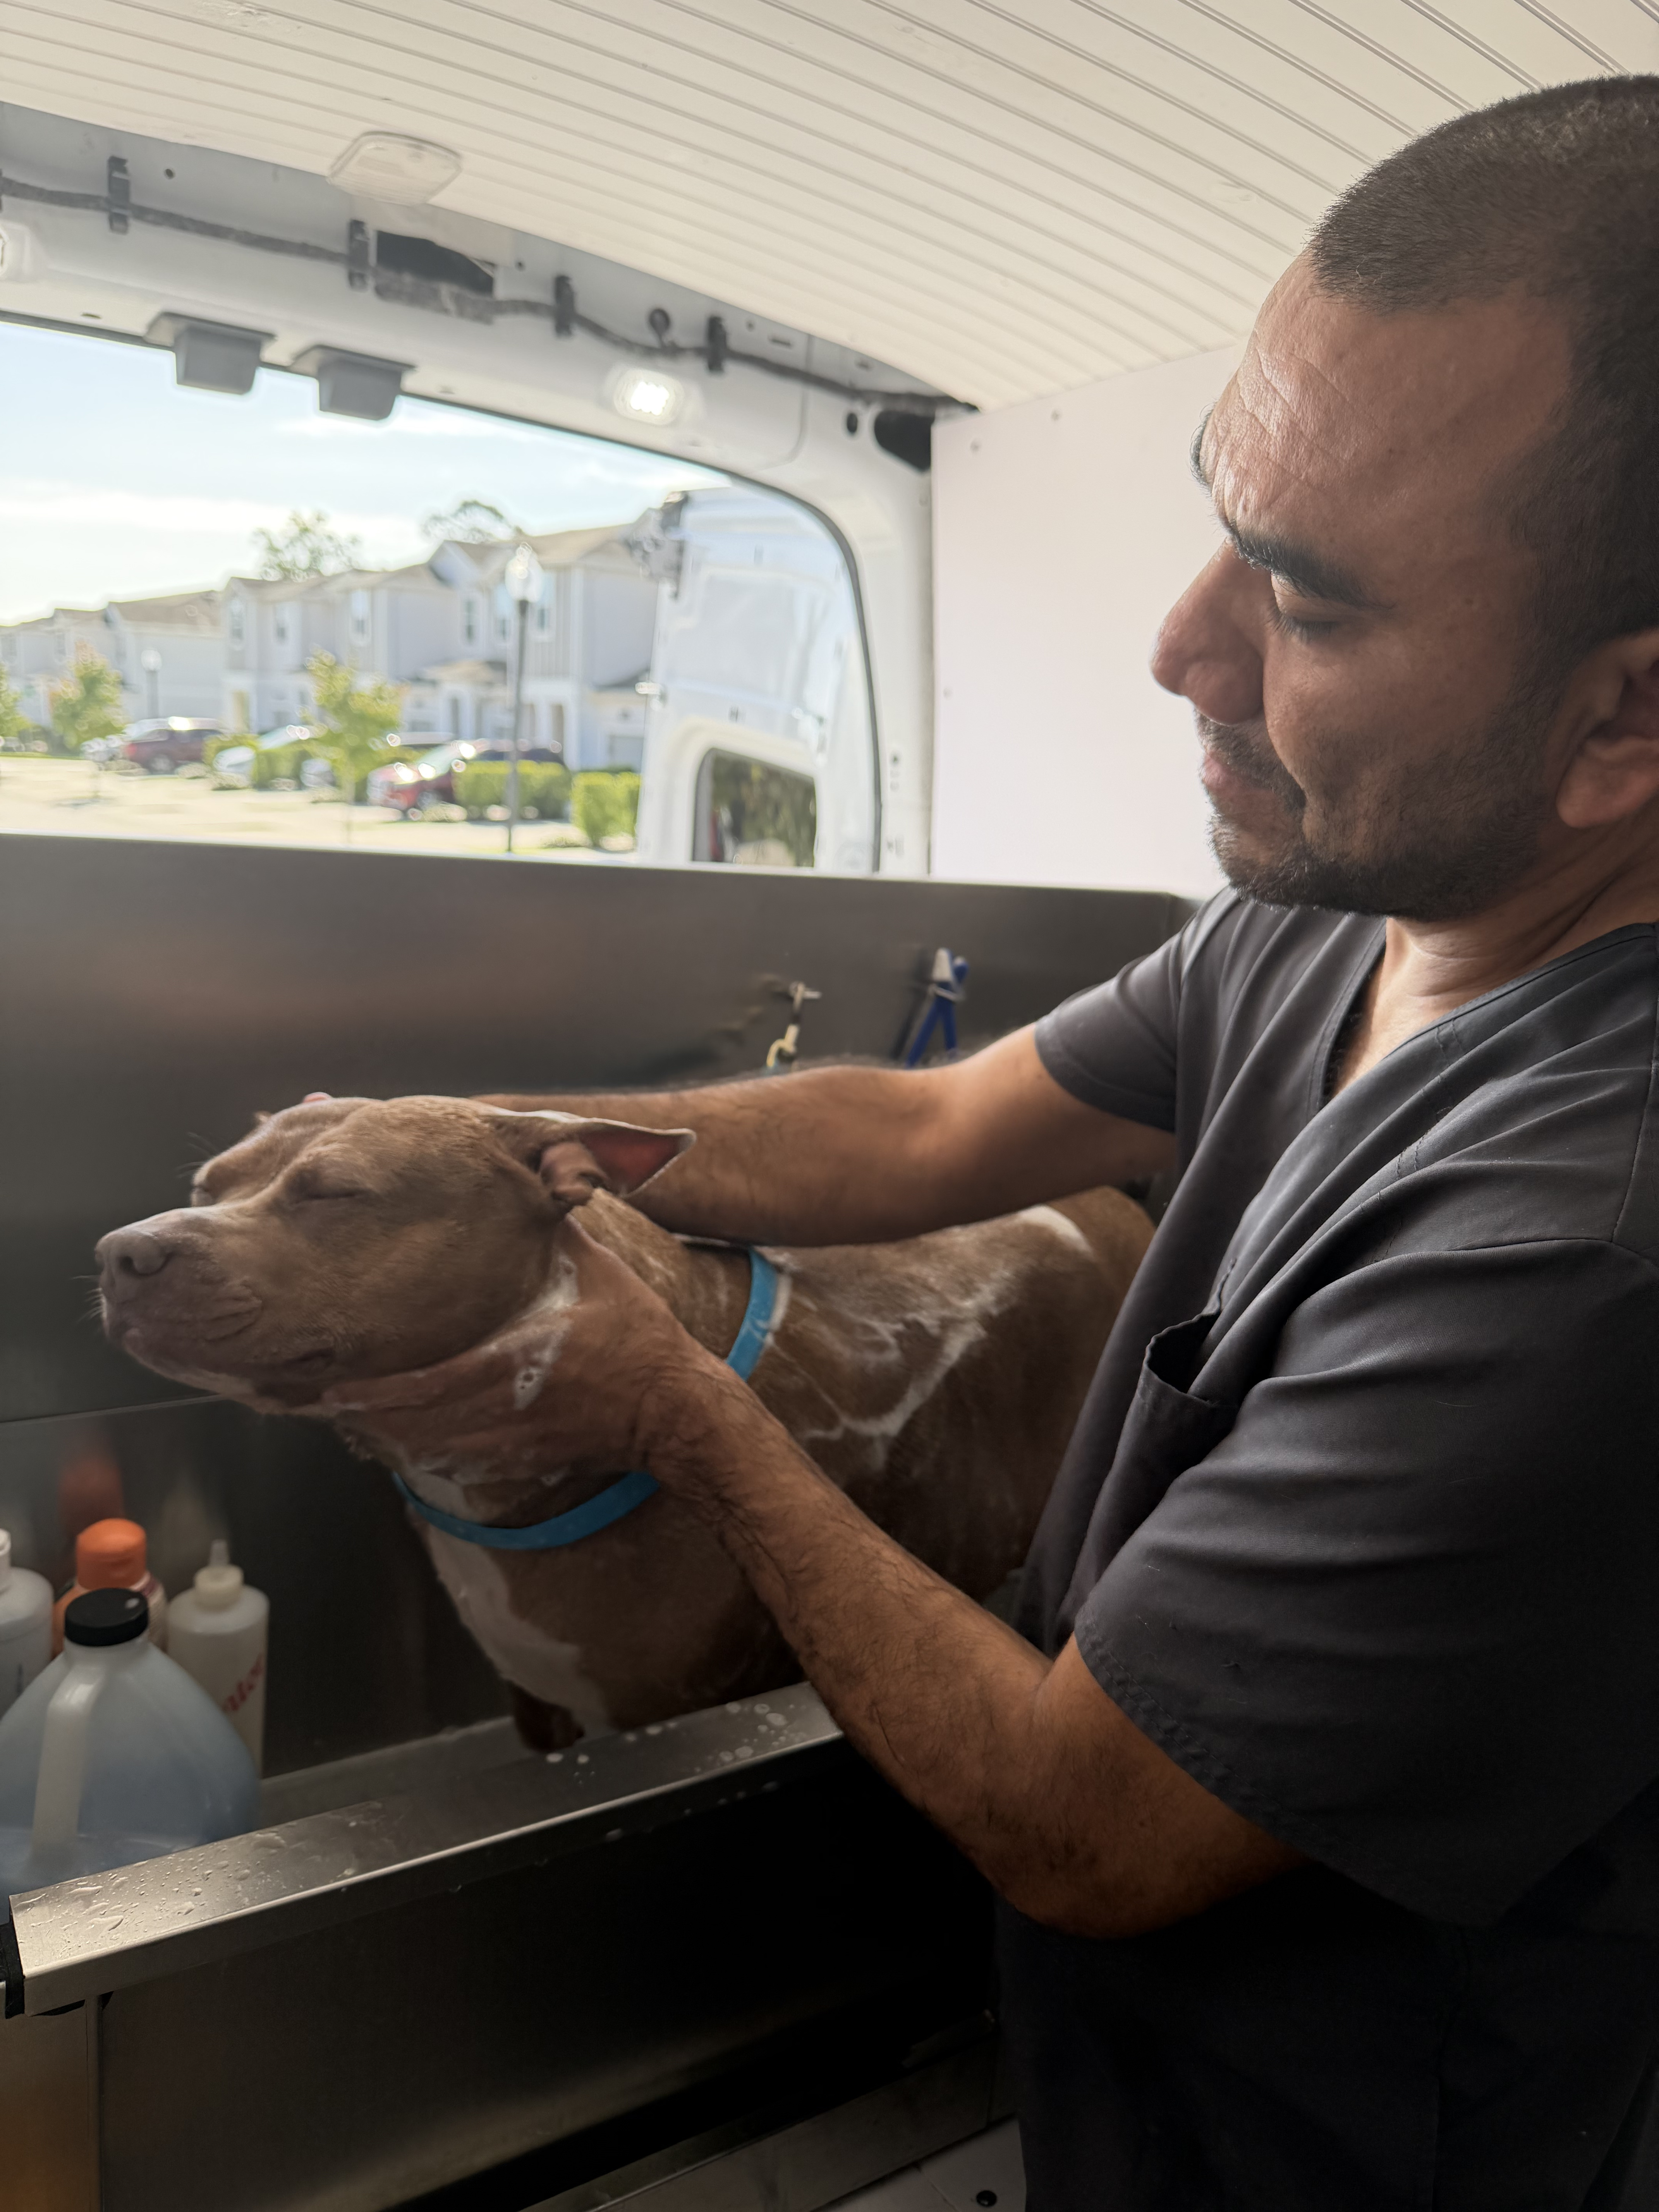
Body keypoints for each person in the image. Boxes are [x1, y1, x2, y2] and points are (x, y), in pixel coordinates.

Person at [326, 79, 1659, 2210]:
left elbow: (1083, 1821)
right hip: (1131, 2082)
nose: (1179, 647)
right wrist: (499, 1135)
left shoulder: (1590, 1245)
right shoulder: (1337, 921)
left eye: (1309, 607)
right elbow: (939, 1119)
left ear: (1623, 724)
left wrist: (680, 1405)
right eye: (1223, 512)